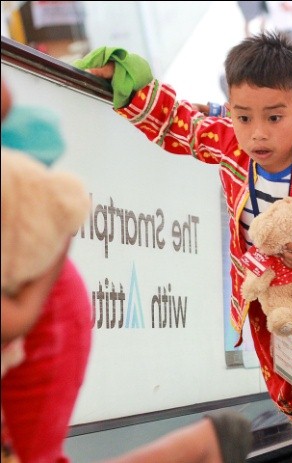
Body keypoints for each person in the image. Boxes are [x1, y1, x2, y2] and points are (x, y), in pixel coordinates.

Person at [77, 32, 292, 463]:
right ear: (230, 112)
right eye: (244, 118)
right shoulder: (229, 145)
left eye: (275, 118)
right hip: (270, 302)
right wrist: (127, 76)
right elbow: (179, 126)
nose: (257, 134)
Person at [0, 79, 253, 463]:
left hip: (37, 310)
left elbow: (14, 319)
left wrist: (52, 247)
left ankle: (199, 447)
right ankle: (202, 446)